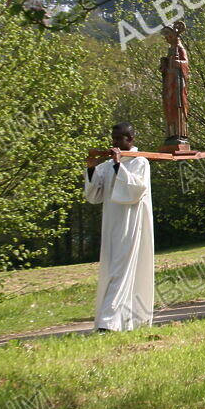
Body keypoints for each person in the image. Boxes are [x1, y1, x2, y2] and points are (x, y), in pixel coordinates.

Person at [83, 123, 154, 332]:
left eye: (119, 139)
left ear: (130, 139)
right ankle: (121, 320)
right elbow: (93, 196)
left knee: (121, 270)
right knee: (111, 269)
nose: (114, 143)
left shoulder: (140, 162)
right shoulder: (105, 166)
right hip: (111, 224)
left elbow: (135, 190)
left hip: (131, 224)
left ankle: (108, 322)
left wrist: (118, 166)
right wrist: (91, 168)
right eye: (113, 139)